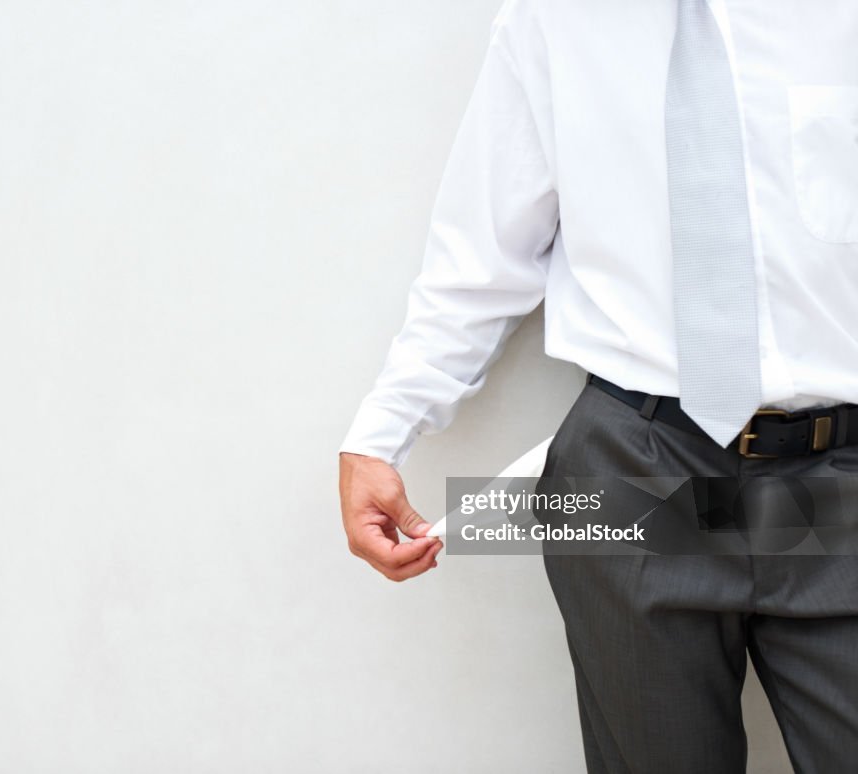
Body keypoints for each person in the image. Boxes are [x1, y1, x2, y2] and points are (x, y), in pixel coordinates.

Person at [337, 1, 858, 771]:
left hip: (839, 476)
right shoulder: (551, 19)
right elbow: (481, 260)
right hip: (631, 471)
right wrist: (380, 433)